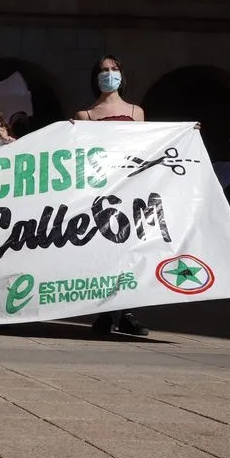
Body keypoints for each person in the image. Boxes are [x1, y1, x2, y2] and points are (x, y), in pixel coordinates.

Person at [73, 55, 148, 336]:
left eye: (114, 69)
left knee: (130, 251)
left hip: (129, 187)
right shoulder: (85, 116)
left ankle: (128, 313)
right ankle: (105, 313)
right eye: (103, 70)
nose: (109, 74)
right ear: (95, 77)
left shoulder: (136, 112)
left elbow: (146, 146)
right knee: (104, 250)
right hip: (101, 190)